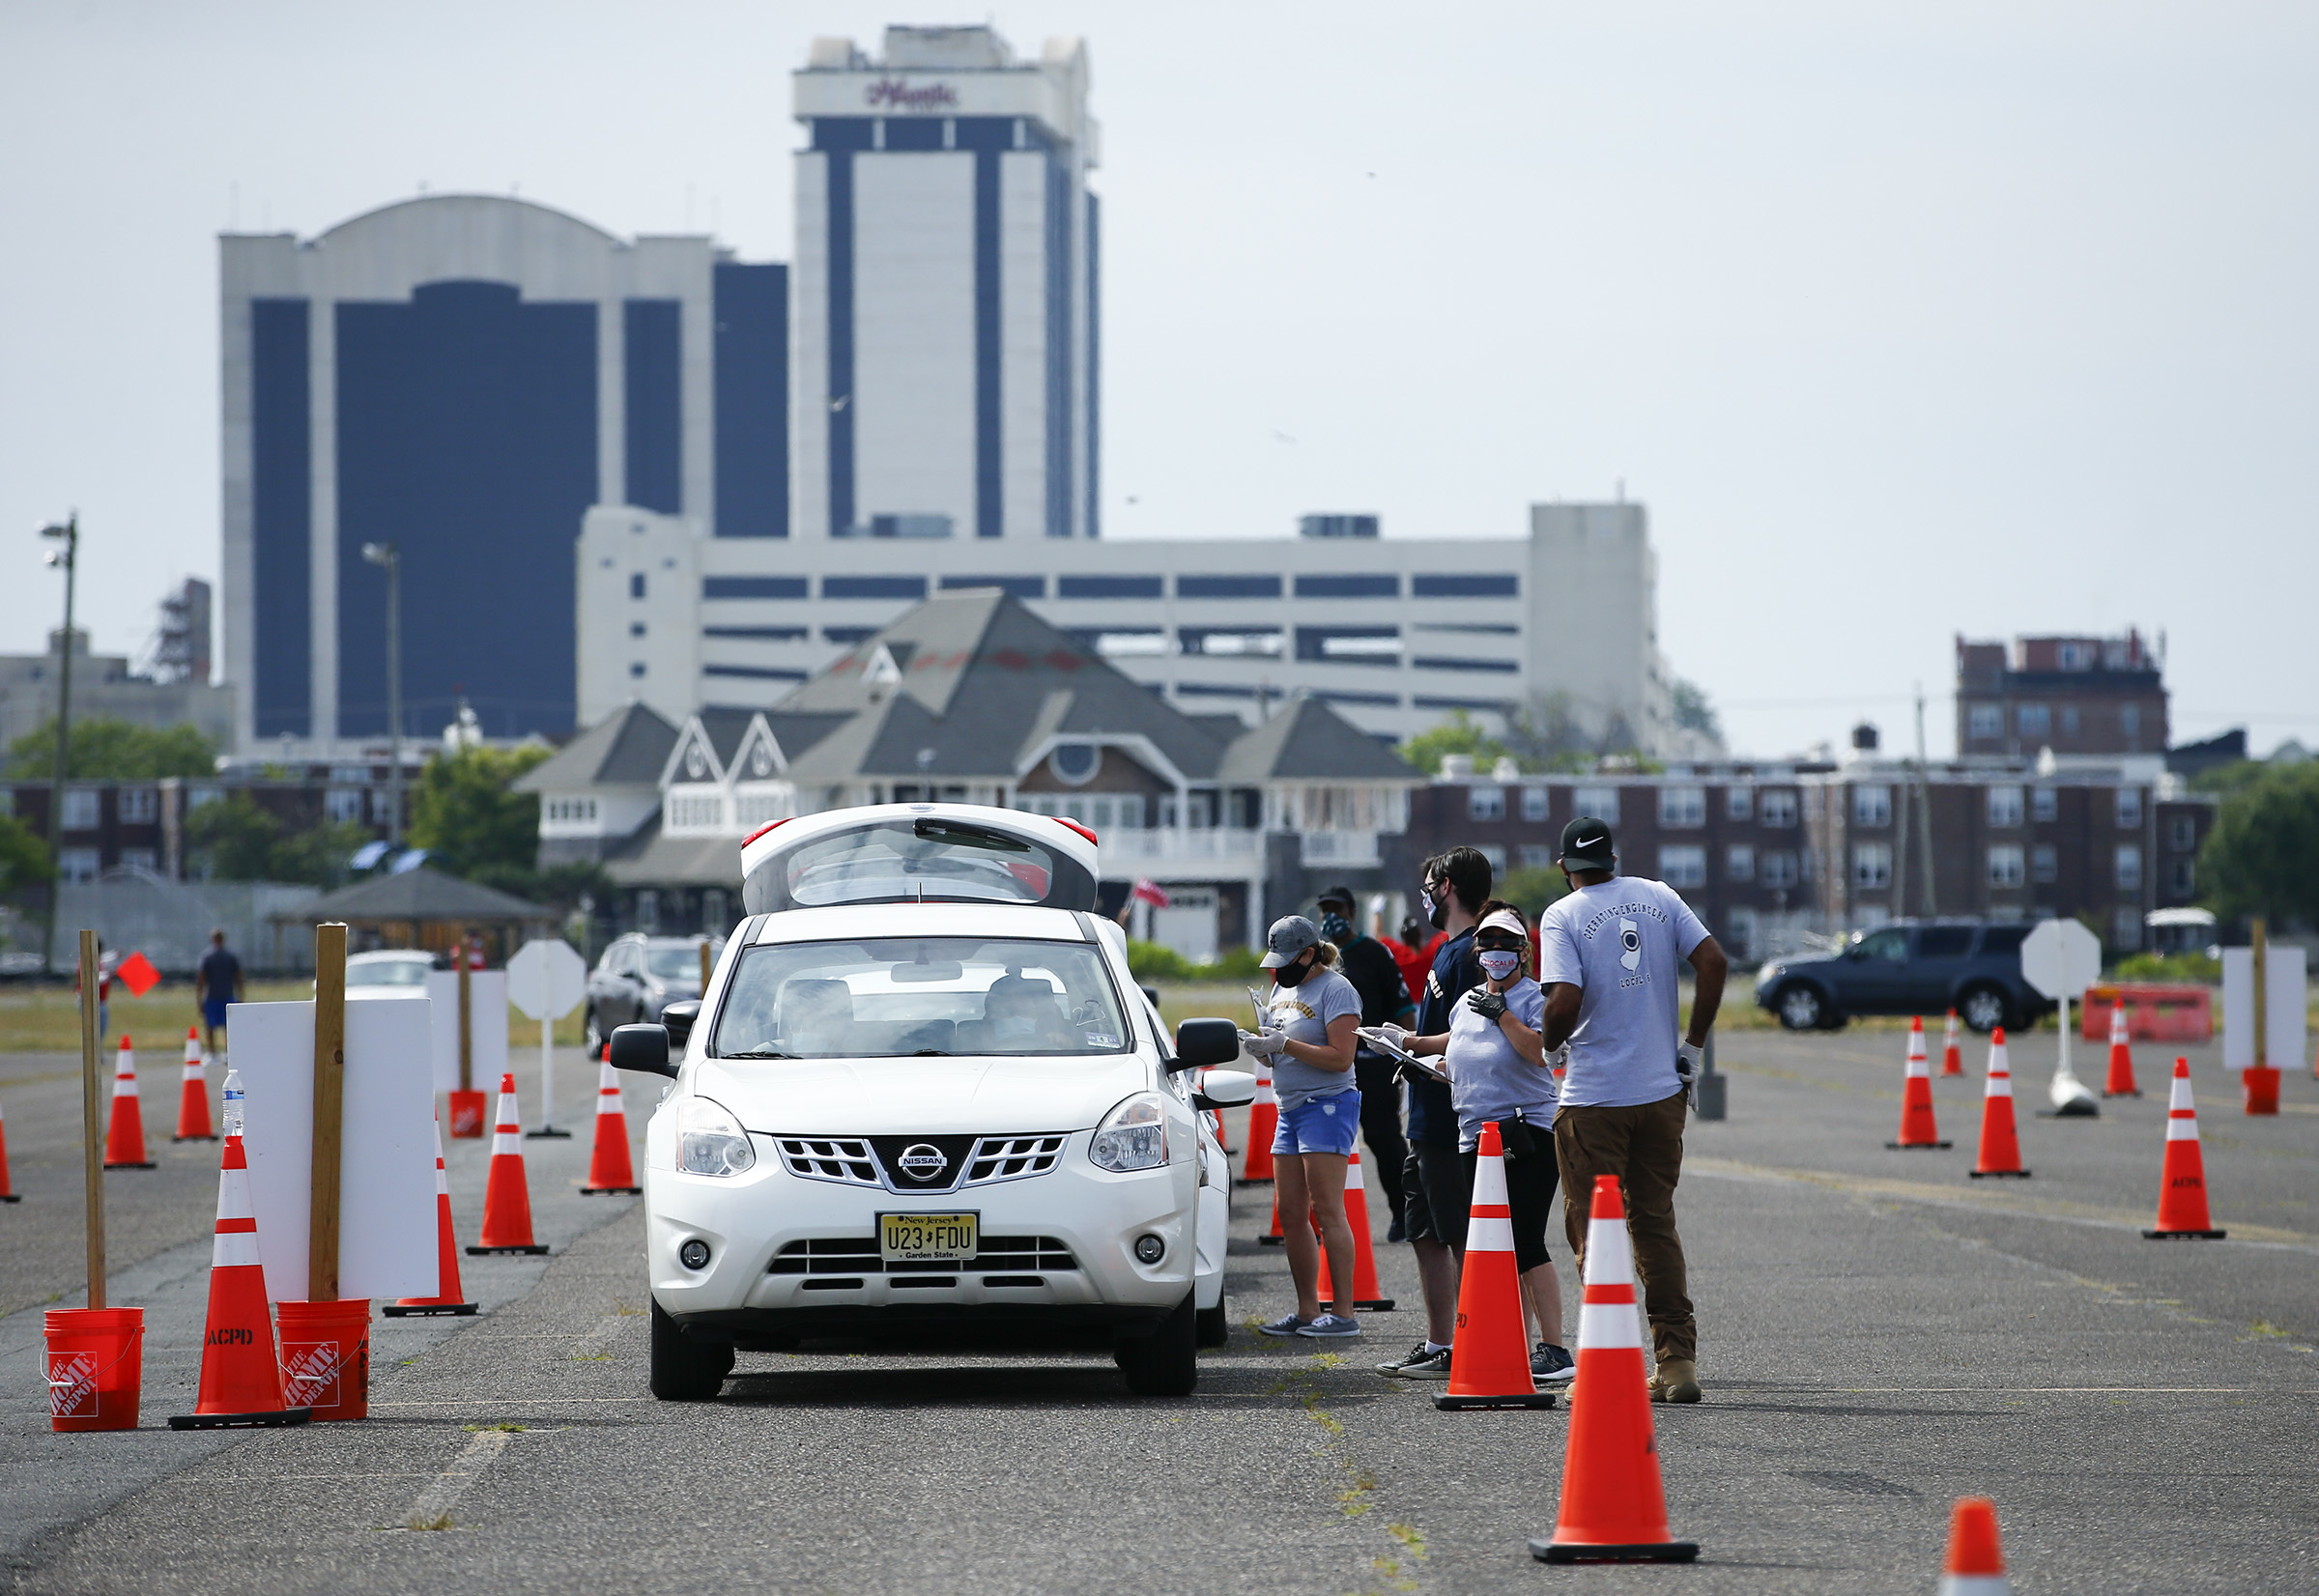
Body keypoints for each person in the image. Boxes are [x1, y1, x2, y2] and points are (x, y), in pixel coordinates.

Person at [1536, 816, 1728, 1405]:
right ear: (1613, 860)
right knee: (1655, 1225)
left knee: (1597, 1234)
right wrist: (1691, 1045)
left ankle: (1604, 1364)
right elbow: (1714, 962)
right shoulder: (1658, 895)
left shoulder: (1561, 916)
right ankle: (1677, 1362)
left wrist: (1549, 1045)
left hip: (1594, 1098)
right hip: (1659, 1092)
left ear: (1565, 866)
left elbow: (1564, 998)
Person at [1401, 901, 1571, 1382]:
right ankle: (1517, 1339)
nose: (1496, 952)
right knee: (1498, 1246)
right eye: (1488, 943)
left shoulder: (1537, 1000)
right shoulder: (1468, 998)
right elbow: (1456, 1045)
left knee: (1526, 1240)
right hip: (1474, 1136)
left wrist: (1503, 1016)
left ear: (1524, 952)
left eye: (1506, 945)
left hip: (1525, 1132)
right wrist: (1407, 1044)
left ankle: (1556, 1350)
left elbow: (1541, 1054)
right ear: (1476, 951)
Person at [1373, 846, 1491, 1380]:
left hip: (1451, 1115)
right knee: (1422, 1229)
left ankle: (1482, 1338)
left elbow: (1473, 1036)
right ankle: (1440, 1341)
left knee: (1460, 1231)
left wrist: (1411, 1042)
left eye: (1429, 884)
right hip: (1423, 1114)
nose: (1423, 893)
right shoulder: (1447, 949)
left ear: (1447, 887)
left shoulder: (1472, 953)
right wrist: (1405, 1046)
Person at [1245, 915, 1364, 1340]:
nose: (1279, 969)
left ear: (1310, 954)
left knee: (1327, 1210)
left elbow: (1340, 1057)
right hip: (1289, 1105)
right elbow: (1283, 1052)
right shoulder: (1282, 988)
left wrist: (1285, 1044)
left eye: (1287, 959)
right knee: (1291, 1212)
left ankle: (1345, 1312)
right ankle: (1307, 1310)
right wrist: (1263, 1050)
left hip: (1327, 1103)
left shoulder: (1336, 989)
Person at [1315, 884, 1414, 1241]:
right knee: (1320, 1146)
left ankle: (1405, 1215)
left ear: (1352, 914)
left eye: (1337, 911)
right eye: (1325, 912)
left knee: (1384, 1139)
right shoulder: (1316, 958)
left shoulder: (1374, 953)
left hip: (1372, 1067)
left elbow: (1403, 1008)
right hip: (1326, 1067)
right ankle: (1322, 1222)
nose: (1331, 919)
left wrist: (1410, 1054)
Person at [194, 929, 244, 1058]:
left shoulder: (207, 957)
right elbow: (239, 978)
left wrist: (199, 999)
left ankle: (212, 1052)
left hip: (212, 995)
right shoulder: (230, 956)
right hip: (227, 994)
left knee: (210, 1026)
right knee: (227, 1026)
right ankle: (228, 1052)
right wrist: (241, 996)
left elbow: (201, 979)